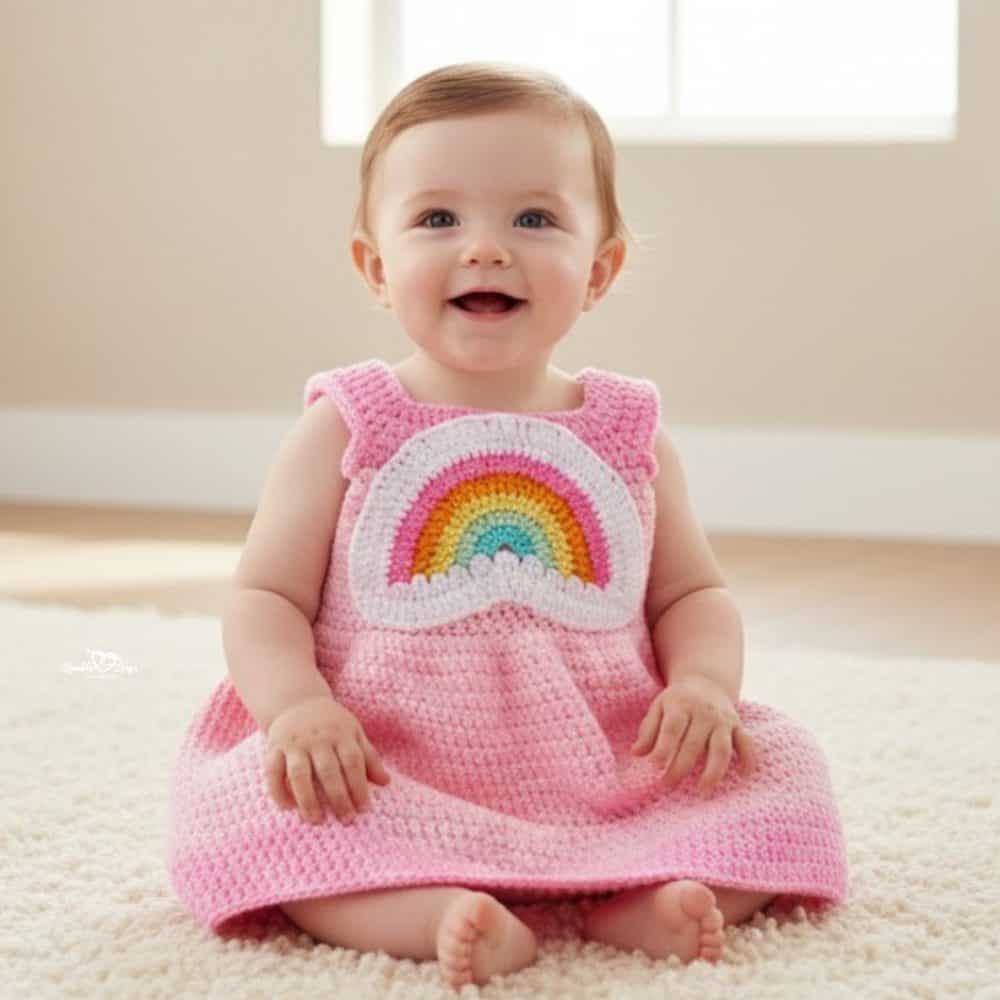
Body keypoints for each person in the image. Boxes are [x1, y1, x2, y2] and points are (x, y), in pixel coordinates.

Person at [166, 62, 847, 992]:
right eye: (438, 219)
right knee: (256, 807)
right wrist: (299, 709)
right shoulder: (348, 422)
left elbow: (693, 591)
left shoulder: (627, 433)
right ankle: (432, 912)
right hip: (387, 758)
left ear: (599, 270)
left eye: (534, 219)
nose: (485, 249)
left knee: (784, 771)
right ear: (376, 265)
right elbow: (264, 596)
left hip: (603, 759)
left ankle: (637, 902)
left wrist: (703, 687)